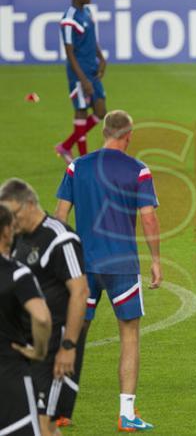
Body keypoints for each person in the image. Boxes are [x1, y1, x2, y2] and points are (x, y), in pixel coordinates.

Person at [54, 110, 162, 432]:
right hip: (122, 267)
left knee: (73, 335)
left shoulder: (77, 167)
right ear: (128, 135)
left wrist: (62, 260)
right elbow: (148, 218)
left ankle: (61, 410)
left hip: (83, 267)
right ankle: (126, 413)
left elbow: (60, 216)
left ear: (104, 132)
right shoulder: (138, 170)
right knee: (129, 335)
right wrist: (156, 259)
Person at [0, 179, 88, 436]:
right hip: (28, 348)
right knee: (38, 424)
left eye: (14, 214)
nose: (11, 223)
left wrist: (69, 347)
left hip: (55, 347)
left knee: (43, 423)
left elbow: (81, 292)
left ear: (29, 205)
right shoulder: (17, 239)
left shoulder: (60, 238)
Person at [0, 203, 52, 436]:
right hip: (10, 374)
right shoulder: (17, 274)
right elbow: (42, 318)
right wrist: (38, 351)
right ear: (7, 231)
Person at [55, 0, 107, 164]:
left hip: (92, 69)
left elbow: (91, 39)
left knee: (101, 111)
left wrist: (101, 58)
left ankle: (66, 146)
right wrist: (82, 79)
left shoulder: (86, 11)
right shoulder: (69, 19)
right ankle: (83, 159)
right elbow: (69, 53)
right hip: (79, 73)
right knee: (82, 111)